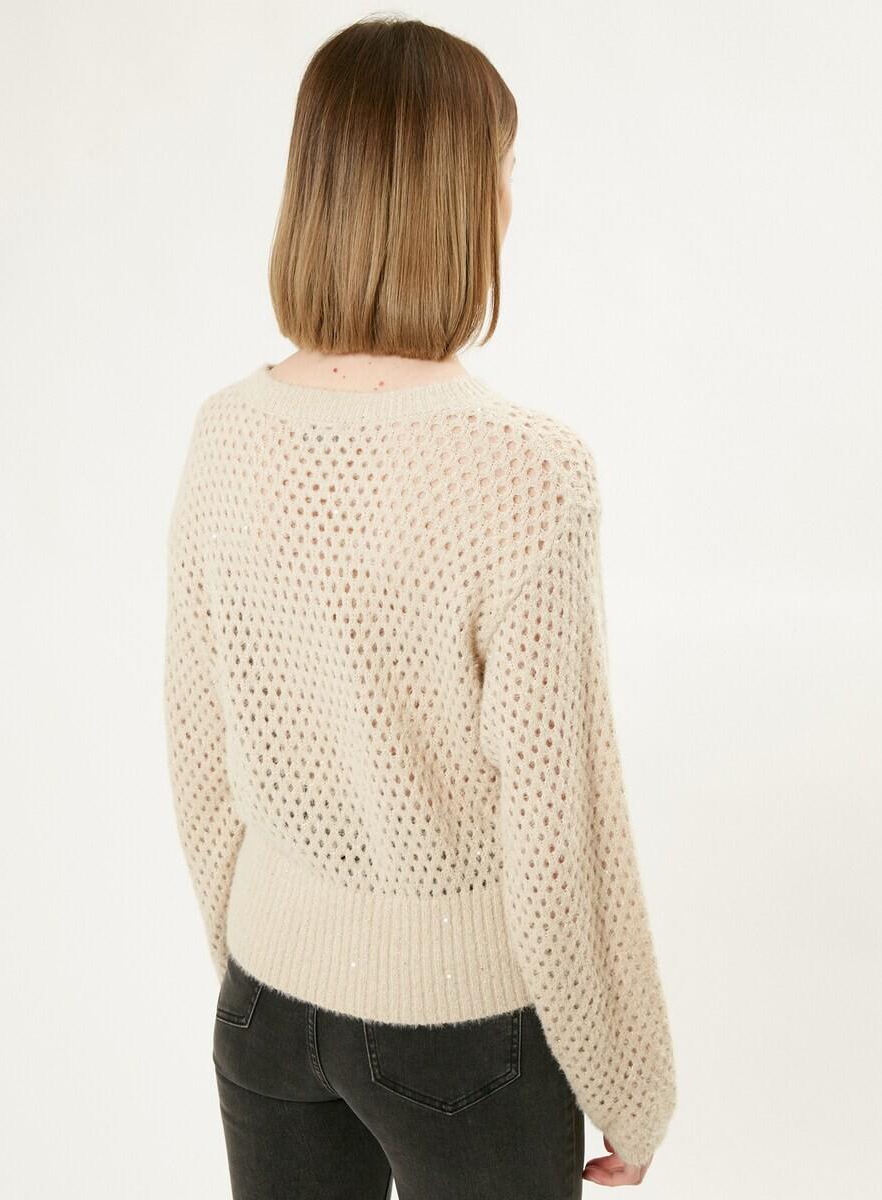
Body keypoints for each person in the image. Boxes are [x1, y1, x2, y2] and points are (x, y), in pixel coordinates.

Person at [164, 15, 676, 1198]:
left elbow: (199, 756)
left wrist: (260, 970)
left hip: (263, 1008)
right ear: (458, 199)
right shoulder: (525, 468)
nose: (510, 199)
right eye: (503, 168)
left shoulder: (225, 435)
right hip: (462, 1037)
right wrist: (630, 1079)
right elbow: (560, 825)